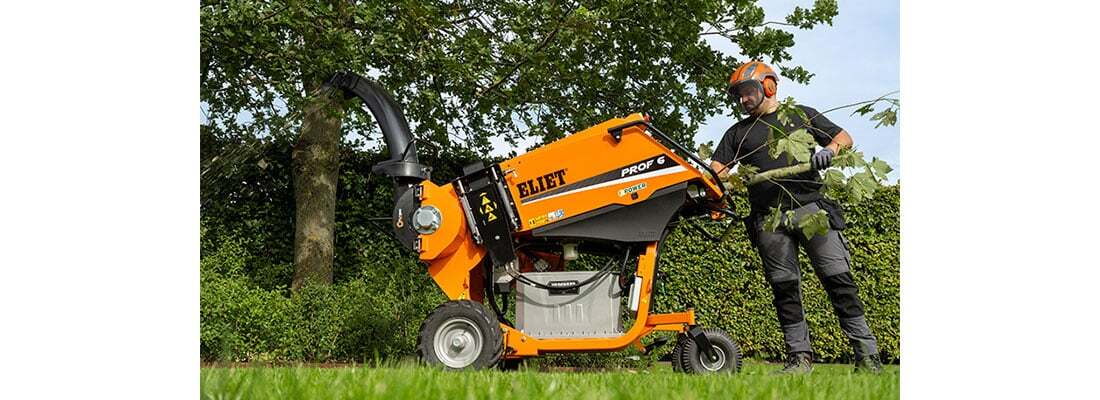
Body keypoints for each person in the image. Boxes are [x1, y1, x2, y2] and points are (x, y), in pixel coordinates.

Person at [709, 61, 883, 374]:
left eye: (747, 92)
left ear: (769, 86)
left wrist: (829, 150)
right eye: (738, 96)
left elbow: (844, 137)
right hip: (769, 219)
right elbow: (717, 170)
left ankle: (867, 356)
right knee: (784, 290)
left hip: (811, 210)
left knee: (839, 281)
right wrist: (714, 190)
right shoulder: (737, 133)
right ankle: (799, 358)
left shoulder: (800, 115)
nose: (743, 100)